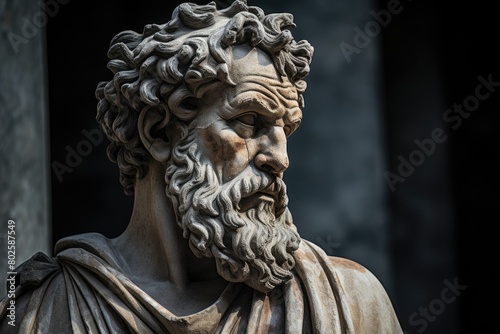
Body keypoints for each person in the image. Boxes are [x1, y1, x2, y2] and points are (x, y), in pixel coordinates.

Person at [0, 1, 403, 332]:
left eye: (286, 131)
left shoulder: (350, 303)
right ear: (159, 133)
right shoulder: (43, 311)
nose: (280, 159)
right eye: (249, 122)